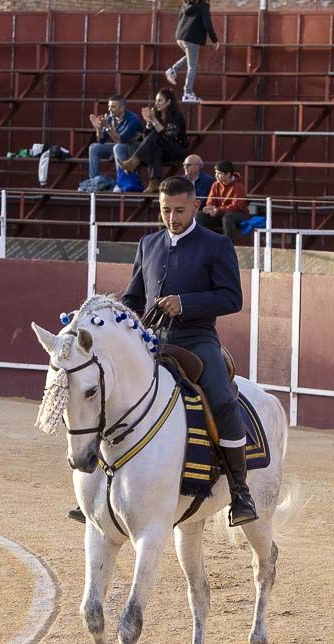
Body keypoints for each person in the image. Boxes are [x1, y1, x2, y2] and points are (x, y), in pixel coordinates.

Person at [124, 175, 256, 527]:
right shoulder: (147, 244)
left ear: (196, 206)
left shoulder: (216, 245)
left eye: (179, 210)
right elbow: (132, 298)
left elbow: (232, 298)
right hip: (152, 341)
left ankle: (240, 491)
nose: (172, 218)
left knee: (222, 399)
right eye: (165, 210)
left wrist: (185, 303)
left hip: (197, 339)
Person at [115, 87, 188, 194]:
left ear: (168, 102)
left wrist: (153, 120)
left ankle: (134, 161)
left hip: (176, 150)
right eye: (156, 100)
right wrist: (149, 123)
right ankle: (153, 183)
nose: (156, 103)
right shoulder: (157, 114)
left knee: (156, 136)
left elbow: (168, 136)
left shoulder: (176, 116)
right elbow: (146, 138)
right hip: (161, 149)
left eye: (160, 100)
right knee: (155, 147)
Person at [165, 0, 219, 104]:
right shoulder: (203, 6)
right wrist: (214, 40)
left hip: (180, 36)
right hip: (191, 39)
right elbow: (208, 24)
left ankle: (173, 70)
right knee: (192, 66)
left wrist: (180, 33)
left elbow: (180, 18)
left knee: (190, 57)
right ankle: (187, 93)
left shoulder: (186, 4)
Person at [86, 95, 143, 183]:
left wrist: (107, 126)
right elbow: (101, 140)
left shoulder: (133, 119)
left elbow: (121, 140)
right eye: (109, 106)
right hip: (120, 146)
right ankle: (93, 182)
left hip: (135, 149)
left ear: (122, 108)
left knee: (118, 147)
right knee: (94, 148)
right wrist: (98, 128)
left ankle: (121, 182)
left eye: (113, 107)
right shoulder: (110, 118)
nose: (109, 109)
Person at [196, 160, 248, 239]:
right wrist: (210, 208)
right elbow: (210, 200)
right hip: (219, 213)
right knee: (199, 215)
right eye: (216, 173)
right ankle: (204, 242)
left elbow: (237, 206)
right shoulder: (215, 184)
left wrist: (219, 209)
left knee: (228, 217)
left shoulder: (238, 186)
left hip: (237, 215)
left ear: (228, 174)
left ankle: (228, 245)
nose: (216, 175)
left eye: (219, 173)